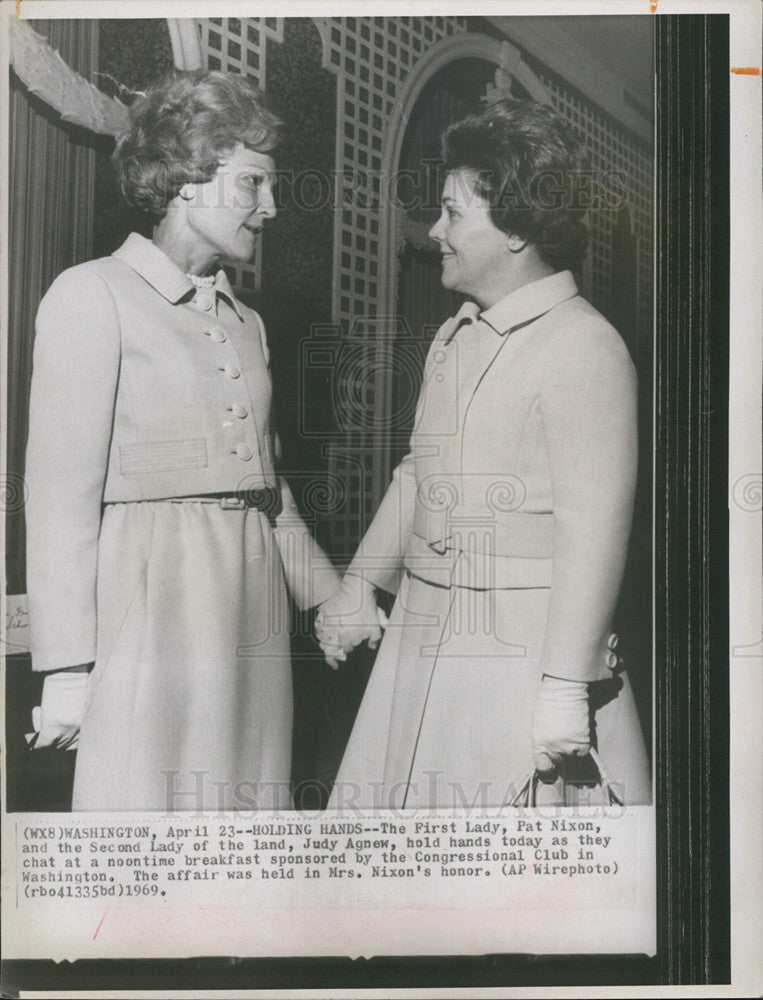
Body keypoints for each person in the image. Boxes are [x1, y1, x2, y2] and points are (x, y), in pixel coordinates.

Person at [317, 99, 650, 809]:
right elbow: (418, 473)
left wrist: (564, 685)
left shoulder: (584, 346)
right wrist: (359, 585)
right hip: (421, 636)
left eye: (452, 214)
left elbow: (592, 536)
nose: (433, 232)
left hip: (519, 659)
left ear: (516, 229)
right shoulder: (455, 335)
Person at [25, 71, 340, 810]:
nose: (270, 207)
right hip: (153, 599)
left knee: (247, 809)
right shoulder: (90, 294)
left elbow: (266, 486)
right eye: (253, 182)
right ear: (191, 175)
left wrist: (328, 597)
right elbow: (59, 499)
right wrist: (68, 667)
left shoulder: (247, 322)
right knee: (152, 808)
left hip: (251, 596)